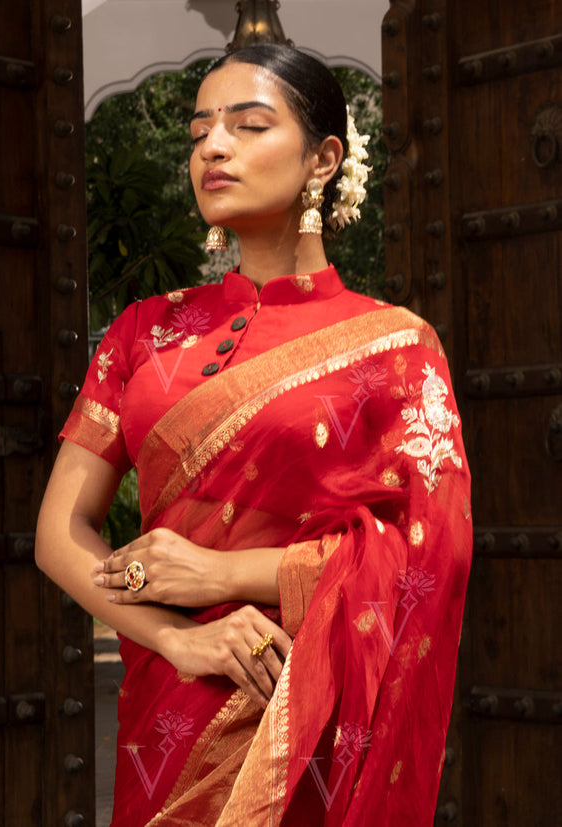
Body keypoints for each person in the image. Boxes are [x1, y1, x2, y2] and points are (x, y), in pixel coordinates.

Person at [36, 44, 472, 826]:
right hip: (166, 716)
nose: (212, 145)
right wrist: (176, 638)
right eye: (200, 130)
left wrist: (221, 573)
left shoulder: (397, 345)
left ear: (323, 158)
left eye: (248, 125)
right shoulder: (144, 332)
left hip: (302, 712)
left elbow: (428, 552)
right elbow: (60, 534)